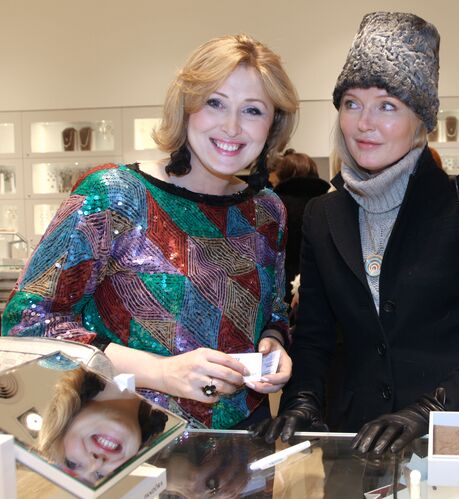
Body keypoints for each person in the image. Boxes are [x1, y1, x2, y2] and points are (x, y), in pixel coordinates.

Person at [252, 12, 459, 454]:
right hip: (359, 446)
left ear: (420, 119)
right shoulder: (323, 215)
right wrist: (303, 400)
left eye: (387, 105)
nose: (364, 123)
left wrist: (433, 409)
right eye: (352, 103)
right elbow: (314, 336)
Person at [2, 34, 299, 430]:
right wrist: (160, 372)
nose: (232, 126)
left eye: (252, 110)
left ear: (273, 124)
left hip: (245, 437)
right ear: (186, 107)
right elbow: (28, 323)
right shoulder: (116, 195)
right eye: (215, 103)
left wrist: (274, 344)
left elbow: (274, 311)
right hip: (129, 436)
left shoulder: (267, 210)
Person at [37, 367, 168, 484]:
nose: (97, 463)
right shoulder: (176, 403)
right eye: (101, 476)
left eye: (73, 464)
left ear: (60, 425)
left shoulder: (89, 349)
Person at [268, 149, 330, 305]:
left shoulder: (274, 206)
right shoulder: (329, 204)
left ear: (283, 174)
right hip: (324, 288)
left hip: (281, 289)